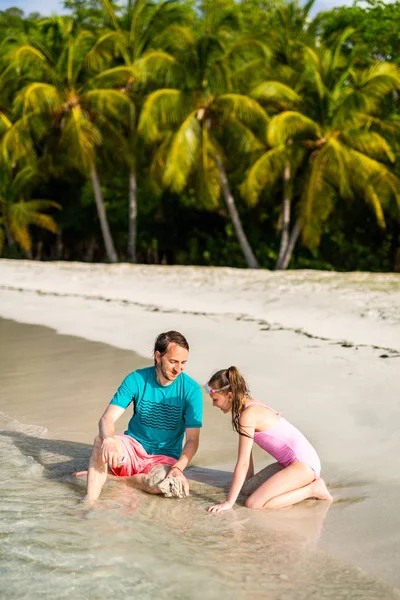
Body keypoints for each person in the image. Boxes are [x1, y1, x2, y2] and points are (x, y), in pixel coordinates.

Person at [83, 331, 202, 505]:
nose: (178, 369)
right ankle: (89, 502)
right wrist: (108, 439)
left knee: (164, 485)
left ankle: (117, 480)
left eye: (183, 363)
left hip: (164, 457)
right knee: (100, 441)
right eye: (173, 361)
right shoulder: (136, 379)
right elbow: (107, 419)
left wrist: (177, 468)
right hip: (132, 450)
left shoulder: (191, 390)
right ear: (158, 356)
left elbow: (192, 440)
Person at [205, 366, 332, 513]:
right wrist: (248, 483)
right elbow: (248, 456)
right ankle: (302, 484)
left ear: (229, 395)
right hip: (290, 464)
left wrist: (228, 502)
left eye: (215, 399)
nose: (214, 404)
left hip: (304, 465)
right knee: (247, 490)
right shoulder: (244, 407)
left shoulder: (248, 415)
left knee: (254, 503)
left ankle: (313, 489)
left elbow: (243, 462)